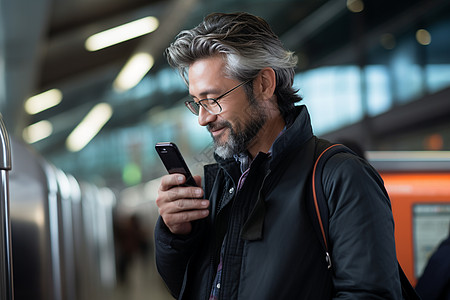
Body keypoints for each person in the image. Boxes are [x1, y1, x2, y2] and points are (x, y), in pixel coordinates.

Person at [154, 12, 402, 299]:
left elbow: (370, 295)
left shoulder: (341, 177)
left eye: (212, 100)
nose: (202, 118)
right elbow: (189, 287)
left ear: (264, 84)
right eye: (197, 103)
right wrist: (176, 235)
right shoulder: (220, 185)